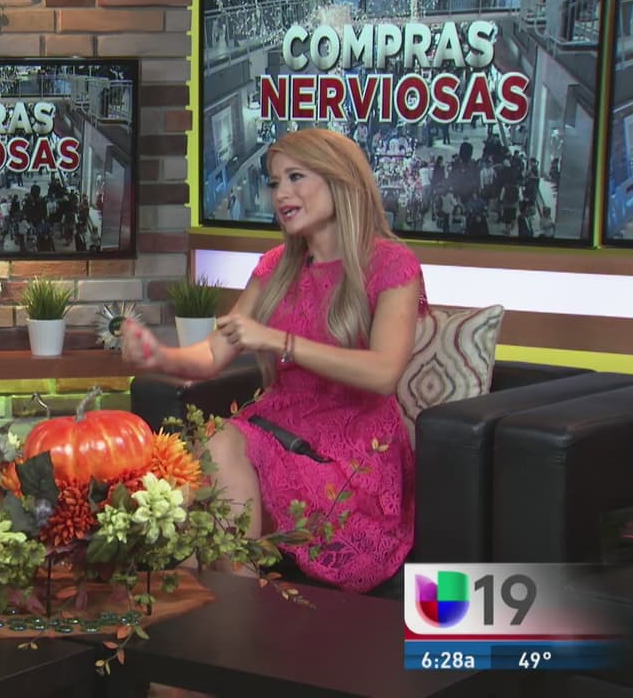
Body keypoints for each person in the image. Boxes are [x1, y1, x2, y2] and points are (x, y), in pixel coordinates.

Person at [122, 129, 425, 593]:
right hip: (274, 428)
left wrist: (281, 341)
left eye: (296, 177)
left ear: (340, 179)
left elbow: (384, 373)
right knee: (208, 459)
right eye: (274, 182)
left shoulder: (391, 264)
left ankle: (232, 609)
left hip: (350, 454)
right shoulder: (275, 267)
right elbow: (212, 355)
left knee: (206, 490)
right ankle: (234, 606)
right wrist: (157, 355)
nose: (281, 193)